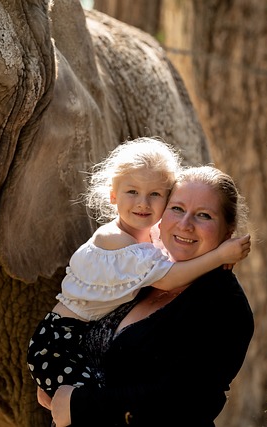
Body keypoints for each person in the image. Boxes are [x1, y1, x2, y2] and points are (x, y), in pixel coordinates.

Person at [27, 139, 251, 399]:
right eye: (178, 209)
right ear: (113, 195)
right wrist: (219, 255)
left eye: (155, 194)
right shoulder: (120, 244)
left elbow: (185, 396)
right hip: (60, 341)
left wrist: (74, 407)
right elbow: (167, 279)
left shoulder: (222, 304)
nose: (143, 203)